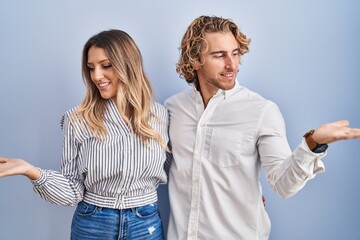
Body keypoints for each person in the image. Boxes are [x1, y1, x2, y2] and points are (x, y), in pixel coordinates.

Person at [164, 15, 360, 240]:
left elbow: (284, 185)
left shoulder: (261, 111)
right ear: (195, 59)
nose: (232, 65)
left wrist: (313, 143)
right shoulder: (173, 109)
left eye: (235, 53)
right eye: (219, 56)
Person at [0, 29, 169, 240]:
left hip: (146, 223)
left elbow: (177, 171)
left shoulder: (160, 116)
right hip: (93, 224)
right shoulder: (77, 119)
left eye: (106, 65)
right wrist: (31, 171)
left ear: (129, 65)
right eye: (91, 68)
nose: (96, 76)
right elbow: (72, 191)